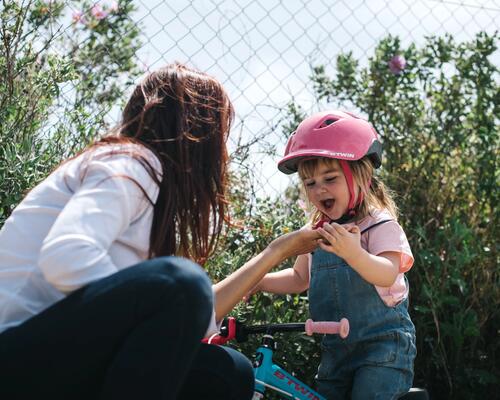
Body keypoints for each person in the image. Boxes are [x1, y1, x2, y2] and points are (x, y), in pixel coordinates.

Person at [0, 62, 320, 400]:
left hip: (57, 350)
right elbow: (66, 255)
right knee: (181, 283)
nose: (221, 152)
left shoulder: (148, 193)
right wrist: (150, 311)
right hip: (16, 353)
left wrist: (276, 252)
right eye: (219, 134)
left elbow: (197, 311)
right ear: (193, 131)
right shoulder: (130, 164)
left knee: (226, 371)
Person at [250, 110, 417, 399]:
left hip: (382, 349)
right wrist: (259, 280)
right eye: (310, 183)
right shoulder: (317, 231)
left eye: (330, 178)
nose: (319, 190)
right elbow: (299, 277)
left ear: (362, 177)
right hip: (335, 352)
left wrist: (354, 253)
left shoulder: (379, 225)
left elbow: (388, 272)